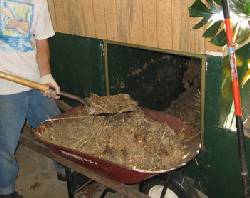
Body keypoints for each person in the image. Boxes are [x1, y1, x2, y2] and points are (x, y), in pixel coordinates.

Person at [0, 0, 63, 197]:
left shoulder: (38, 1)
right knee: (4, 145)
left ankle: (65, 169)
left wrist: (45, 76)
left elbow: (41, 40)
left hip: (35, 81)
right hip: (5, 87)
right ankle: (5, 190)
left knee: (58, 131)